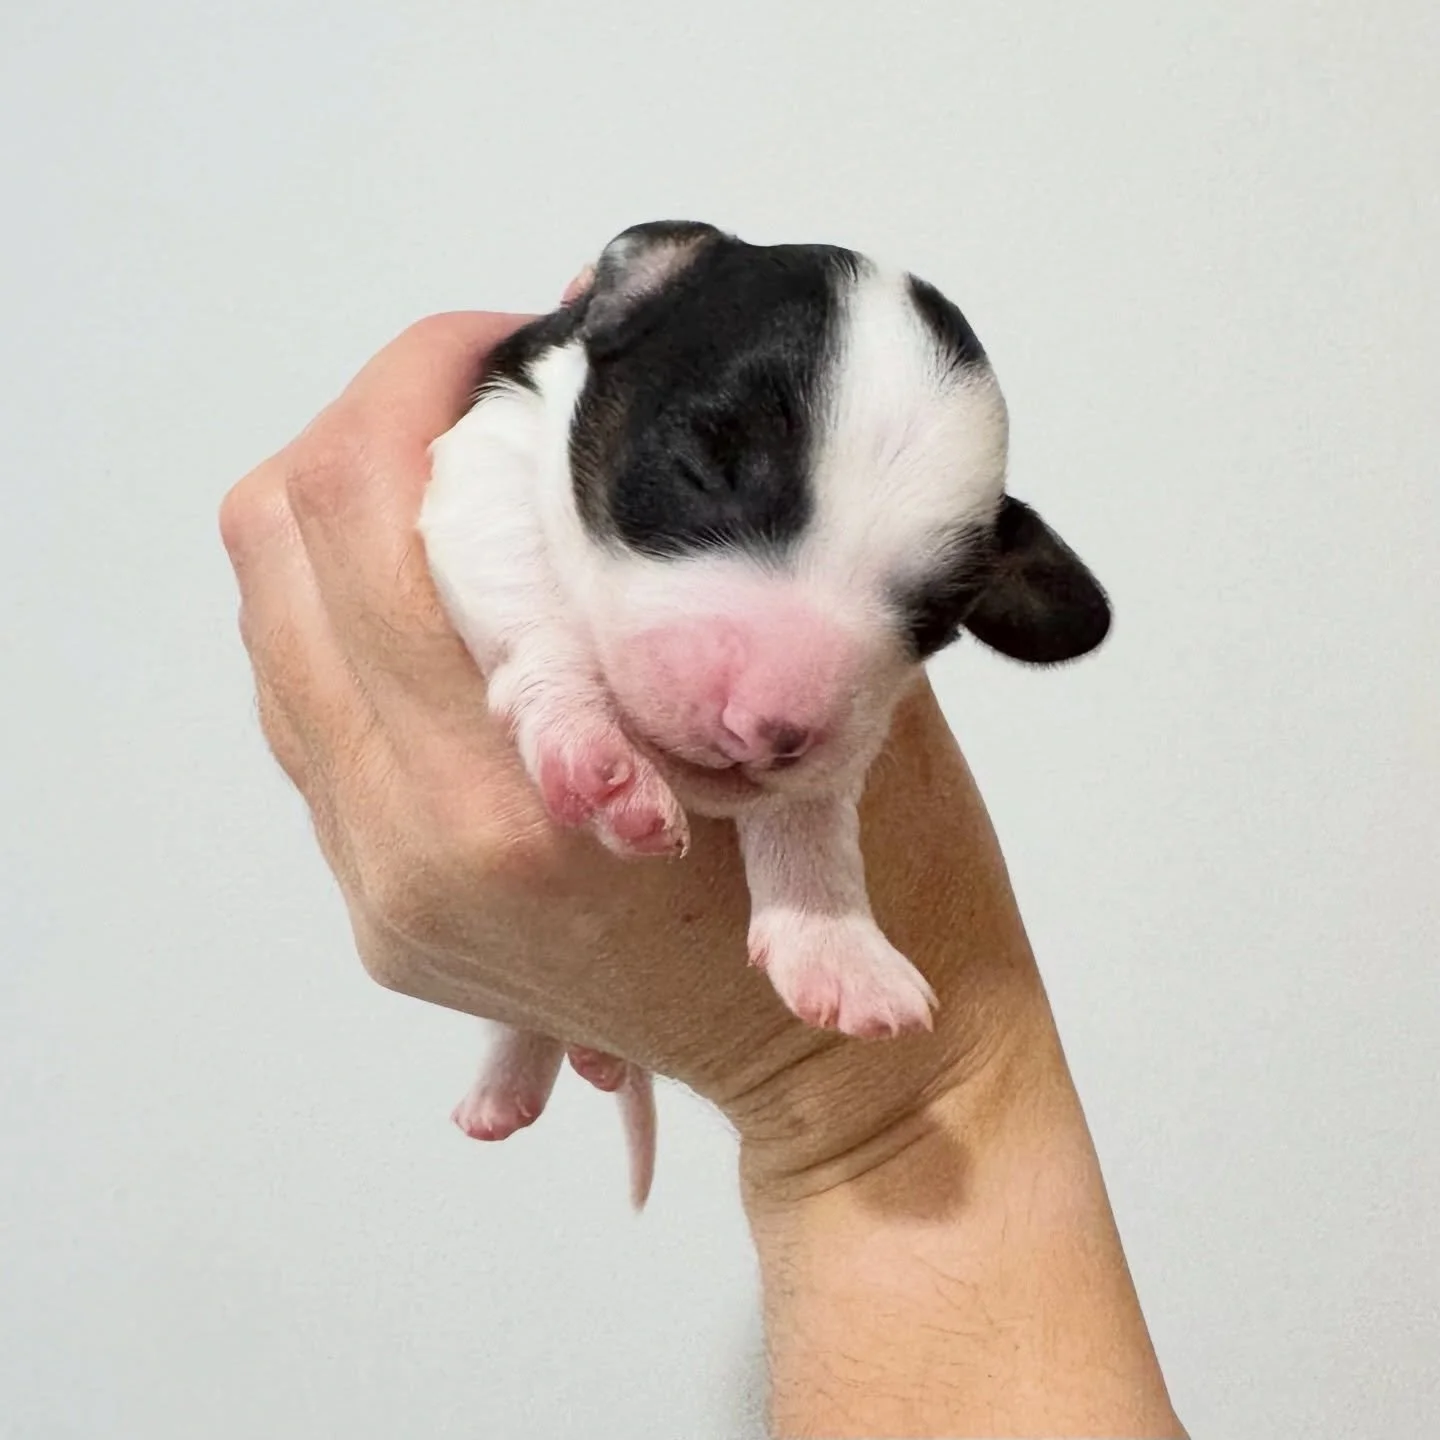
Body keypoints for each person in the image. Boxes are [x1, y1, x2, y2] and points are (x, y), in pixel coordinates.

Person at [219, 296, 1186, 1438]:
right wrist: (544, 679)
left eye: (915, 608)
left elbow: (808, 777)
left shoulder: (797, 692)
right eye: (709, 484)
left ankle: (755, 942)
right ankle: (538, 1036)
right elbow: (471, 500)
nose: (770, 710)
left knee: (797, 796)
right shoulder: (533, 418)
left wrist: (859, 1090)